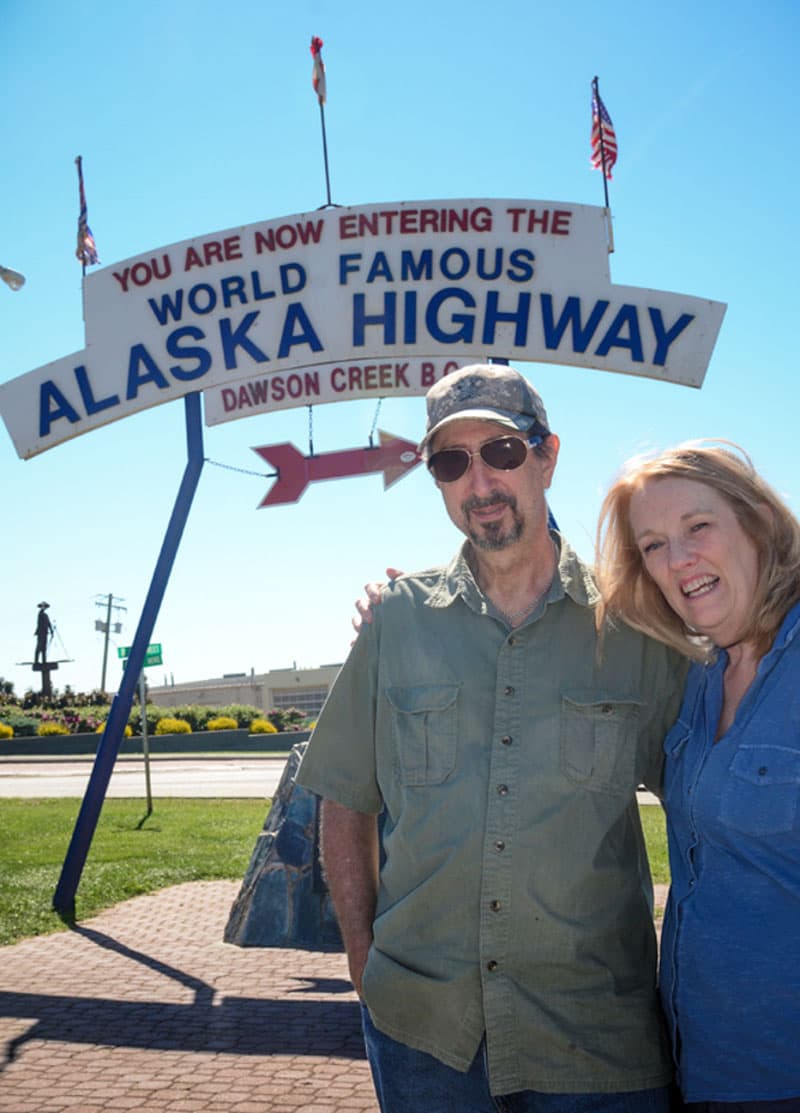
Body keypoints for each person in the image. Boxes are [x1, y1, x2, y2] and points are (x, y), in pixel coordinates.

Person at [296, 363, 687, 1113]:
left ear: (547, 455)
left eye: (502, 452)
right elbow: (344, 801)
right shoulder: (393, 621)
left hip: (598, 1039)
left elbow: (701, 807)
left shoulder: (637, 625)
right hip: (425, 1035)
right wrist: (363, 966)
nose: (480, 482)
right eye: (452, 462)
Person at [595, 441, 800, 1112]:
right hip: (699, 1067)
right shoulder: (696, 679)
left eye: (698, 527)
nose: (678, 559)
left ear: (759, 523)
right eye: (653, 545)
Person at [34, 601, 53, 665]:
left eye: (44, 607)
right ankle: (36, 661)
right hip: (40, 633)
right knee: (39, 647)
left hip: (45, 633)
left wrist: (51, 631)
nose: (44, 608)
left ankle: (44, 661)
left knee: (44, 648)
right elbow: (39, 624)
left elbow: (49, 623)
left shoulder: (45, 615)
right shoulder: (40, 614)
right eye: (42, 606)